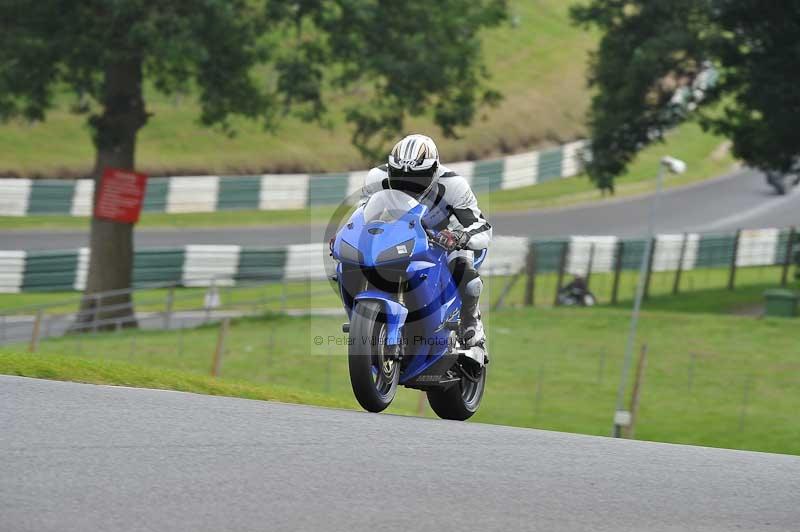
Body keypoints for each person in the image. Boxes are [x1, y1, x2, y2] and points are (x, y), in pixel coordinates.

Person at [360, 134, 492, 350]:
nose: (408, 183)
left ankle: (471, 320)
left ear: (434, 170)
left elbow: (481, 225)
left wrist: (460, 237)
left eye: (418, 177)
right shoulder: (377, 178)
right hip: (399, 235)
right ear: (390, 169)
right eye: (400, 176)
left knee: (462, 267)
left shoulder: (453, 184)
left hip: (445, 239)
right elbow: (362, 215)